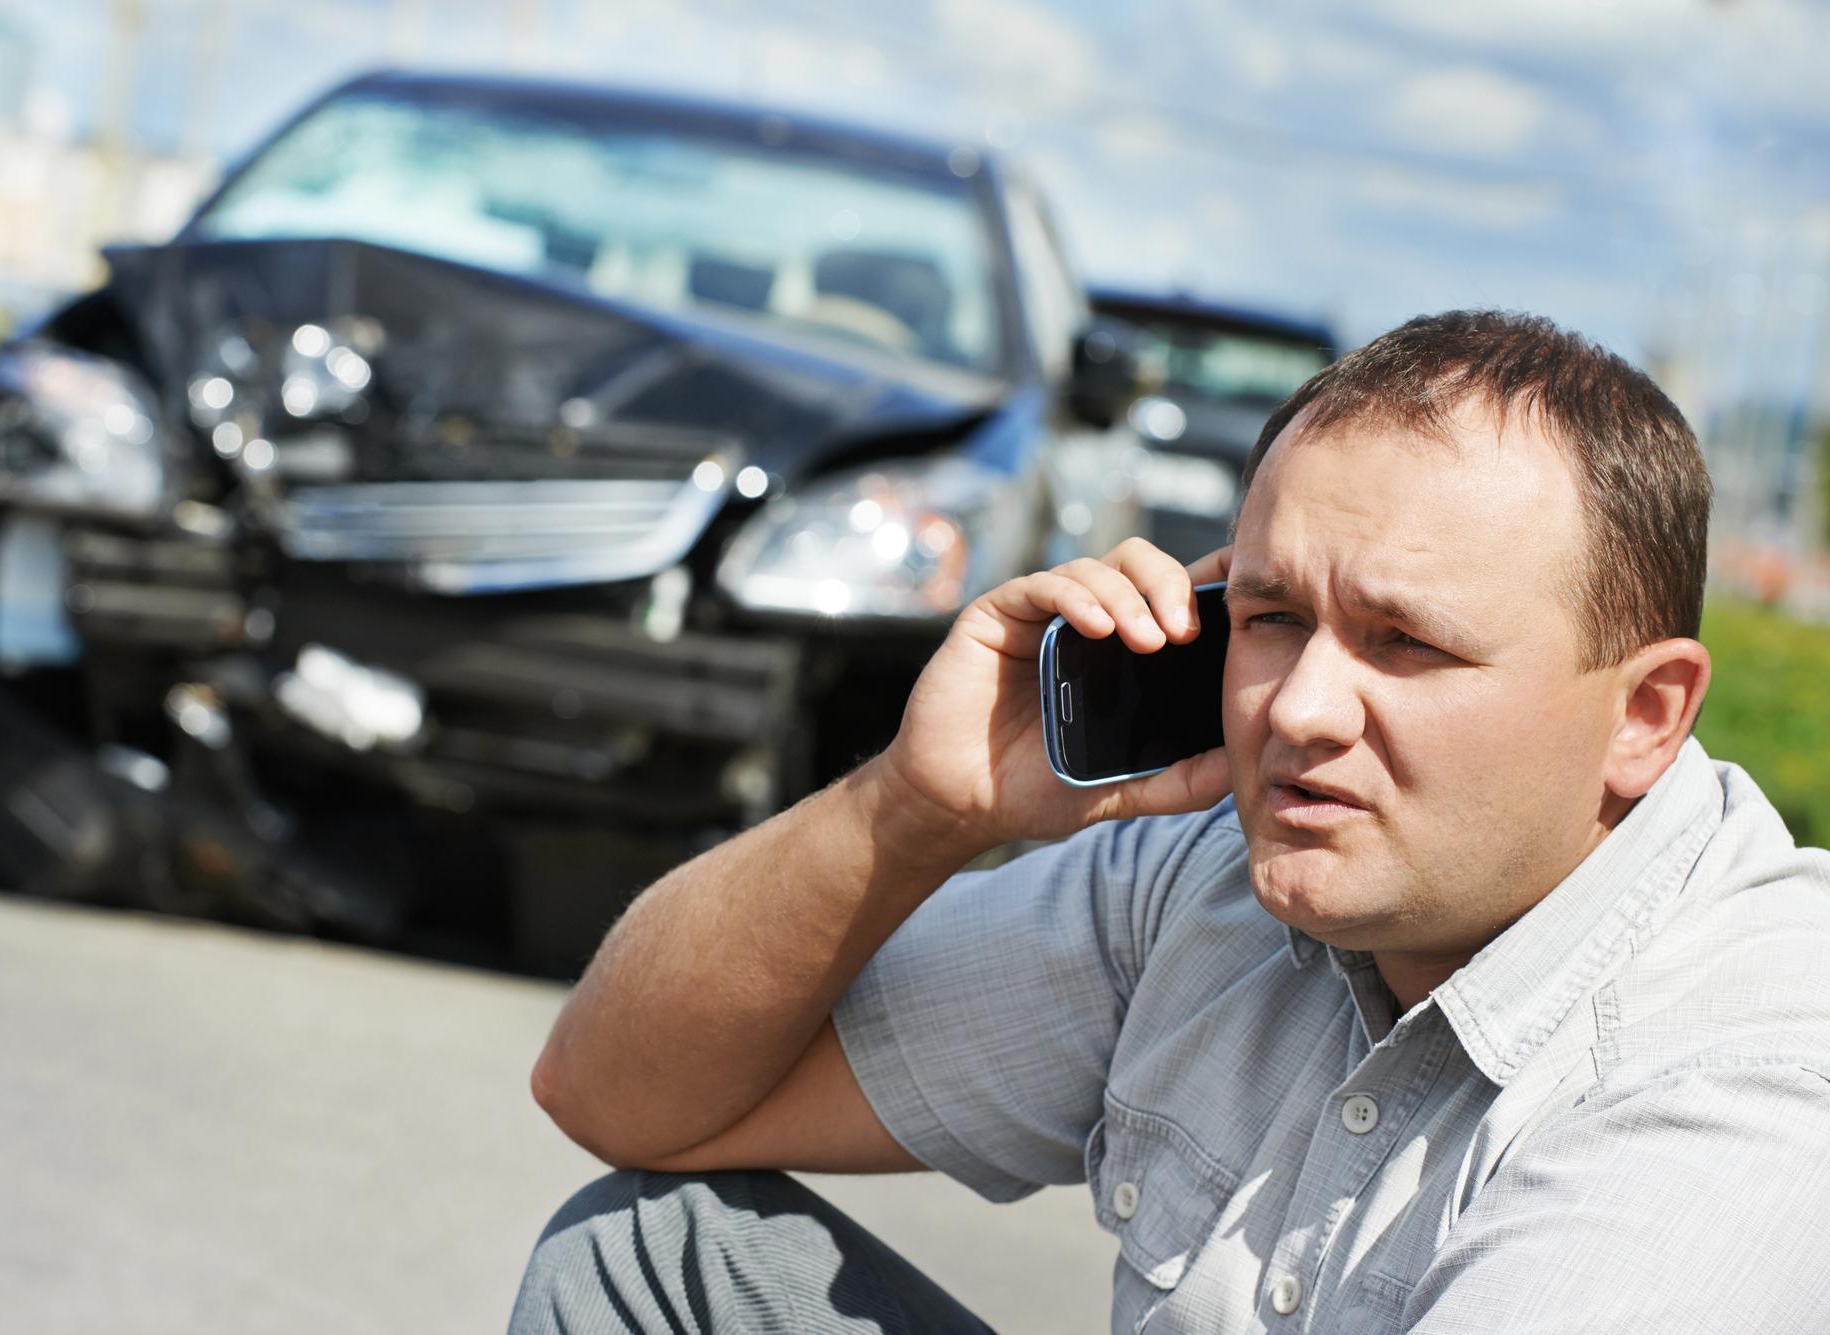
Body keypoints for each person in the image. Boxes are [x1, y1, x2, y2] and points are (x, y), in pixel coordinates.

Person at [512, 311, 1830, 1333]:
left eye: (1406, 644)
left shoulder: (1746, 1078)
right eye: (1273, 620)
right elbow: (625, 1097)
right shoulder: (1211, 879)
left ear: (1646, 714)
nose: (1303, 709)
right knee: (654, 1264)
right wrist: (918, 808)